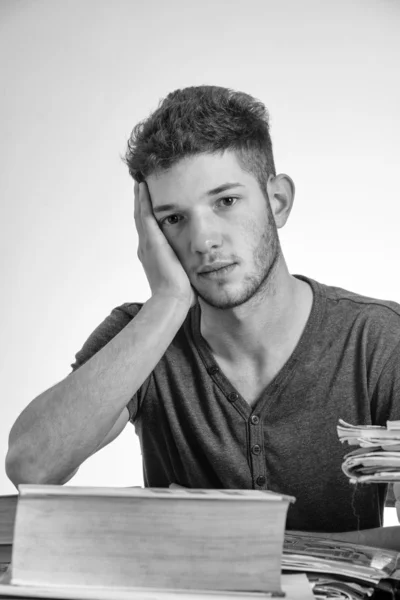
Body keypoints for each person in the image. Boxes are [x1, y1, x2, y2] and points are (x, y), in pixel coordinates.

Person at [6, 86, 400, 546]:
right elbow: (33, 466)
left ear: (278, 202)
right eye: (173, 219)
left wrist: (261, 553)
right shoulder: (143, 334)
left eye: (226, 202)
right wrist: (169, 303)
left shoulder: (379, 340)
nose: (203, 240)